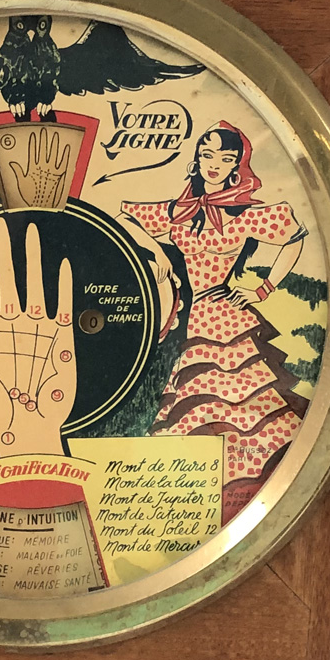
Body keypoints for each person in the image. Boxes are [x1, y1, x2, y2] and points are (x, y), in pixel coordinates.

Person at [120, 125, 310, 523]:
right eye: (208, 156)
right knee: (186, 407)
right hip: (185, 317)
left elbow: (295, 236)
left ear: (238, 167)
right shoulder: (180, 211)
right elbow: (125, 216)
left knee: (238, 406)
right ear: (196, 159)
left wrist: (264, 289)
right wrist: (158, 254)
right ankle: (191, 497)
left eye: (226, 159)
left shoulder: (244, 215)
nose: (215, 165)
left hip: (223, 318)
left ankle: (240, 491)